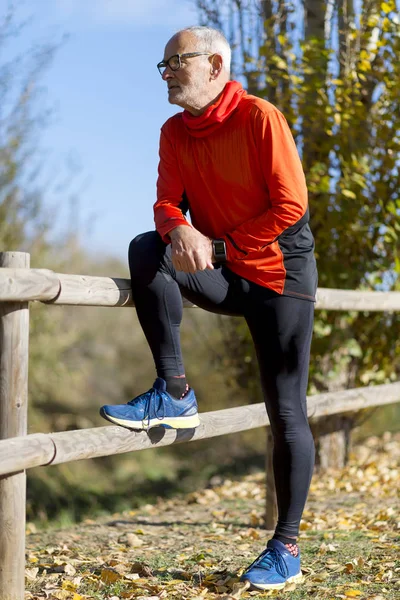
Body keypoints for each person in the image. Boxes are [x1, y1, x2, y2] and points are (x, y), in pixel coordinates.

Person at [100, 25, 317, 591]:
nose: (166, 71)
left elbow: (291, 206)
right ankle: (174, 391)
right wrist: (177, 227)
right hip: (219, 271)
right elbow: (166, 203)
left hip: (279, 275)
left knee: (286, 410)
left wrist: (215, 245)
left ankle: (286, 545)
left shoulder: (260, 118)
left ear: (216, 66)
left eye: (177, 61)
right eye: (164, 64)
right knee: (148, 249)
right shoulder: (174, 131)